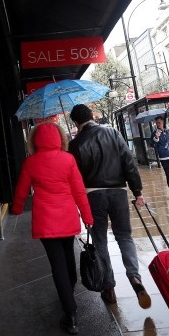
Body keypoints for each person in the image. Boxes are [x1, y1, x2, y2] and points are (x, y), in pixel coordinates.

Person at [11, 122, 94, 335]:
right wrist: (87, 217)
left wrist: (17, 209)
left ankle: (71, 313)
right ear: (60, 138)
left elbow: (21, 189)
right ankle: (70, 289)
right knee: (68, 257)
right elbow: (79, 191)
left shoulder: (31, 162)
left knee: (57, 265)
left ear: (34, 141)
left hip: (45, 220)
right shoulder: (68, 159)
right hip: (67, 217)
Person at [67, 104, 151, 310]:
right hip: (119, 193)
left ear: (76, 122)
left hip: (93, 195)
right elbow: (128, 163)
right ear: (92, 116)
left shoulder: (76, 143)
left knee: (100, 241)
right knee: (124, 236)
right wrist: (137, 191)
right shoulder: (113, 132)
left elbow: (75, 178)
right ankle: (135, 278)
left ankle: (109, 287)